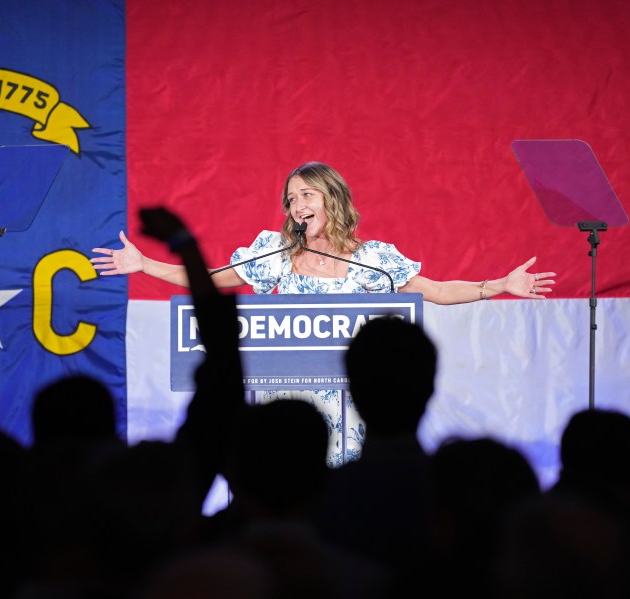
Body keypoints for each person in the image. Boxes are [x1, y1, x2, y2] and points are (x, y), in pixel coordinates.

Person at [91, 162, 556, 465]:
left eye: (307, 195)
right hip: (286, 405)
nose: (297, 206)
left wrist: (498, 286)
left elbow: (433, 290)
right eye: (291, 200)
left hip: (352, 408)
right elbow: (214, 279)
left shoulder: (373, 258)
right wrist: (144, 264)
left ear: (332, 199)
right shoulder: (274, 253)